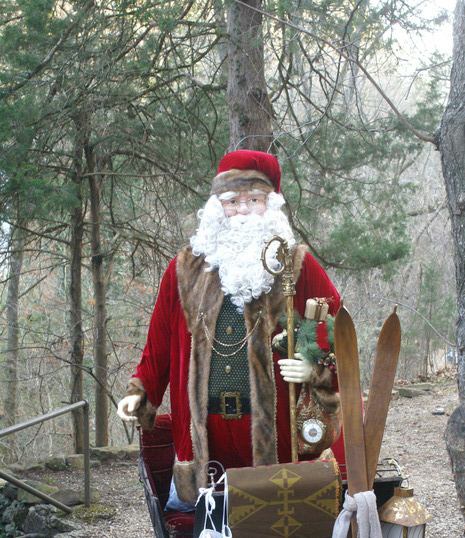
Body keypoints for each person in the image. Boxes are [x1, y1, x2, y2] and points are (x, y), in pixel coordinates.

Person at [117, 150, 342, 507]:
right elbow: (158, 345)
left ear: (271, 205)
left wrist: (316, 370)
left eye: (254, 200)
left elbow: (337, 334)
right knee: (202, 532)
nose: (241, 210)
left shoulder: (298, 266)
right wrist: (140, 390)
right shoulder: (185, 270)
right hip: (205, 437)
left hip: (277, 437)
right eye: (232, 200)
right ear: (216, 206)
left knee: (273, 532)